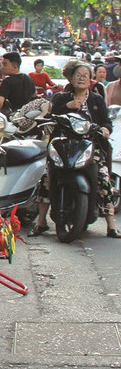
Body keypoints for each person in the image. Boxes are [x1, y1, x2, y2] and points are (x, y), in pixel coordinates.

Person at [30, 62, 118, 239]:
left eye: (85, 75)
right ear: (71, 77)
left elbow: (106, 121)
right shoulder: (61, 98)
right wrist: (67, 107)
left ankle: (111, 226)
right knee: (46, 178)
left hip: (90, 145)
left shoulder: (96, 99)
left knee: (103, 178)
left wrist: (106, 129)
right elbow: (51, 115)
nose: (82, 78)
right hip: (63, 145)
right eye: (78, 75)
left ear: (90, 79)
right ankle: (41, 222)